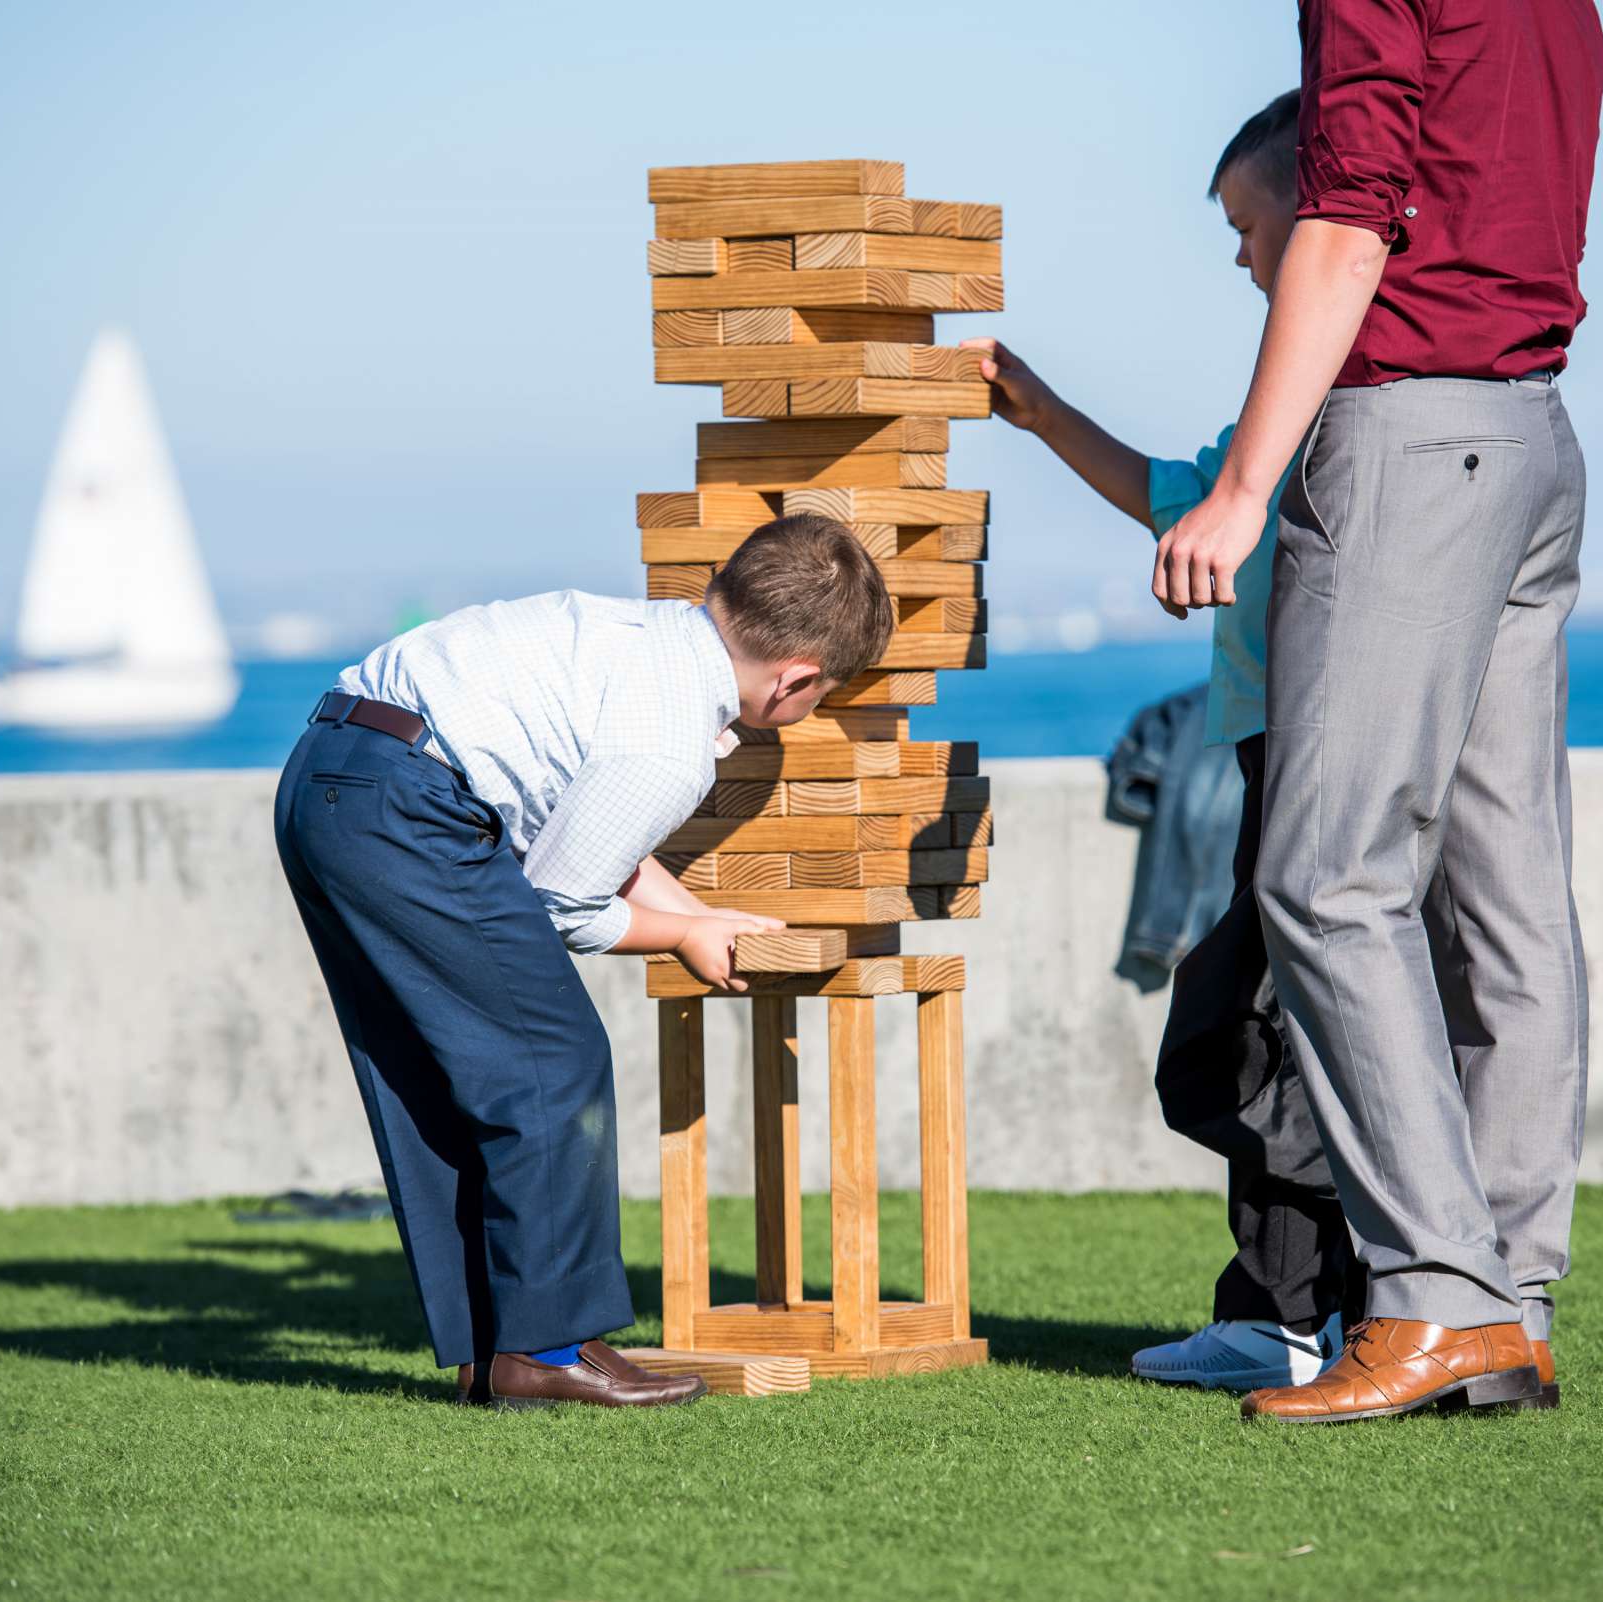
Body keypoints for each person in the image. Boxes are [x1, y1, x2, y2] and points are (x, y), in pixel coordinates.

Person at [1150, 0, 1603, 1422]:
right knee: (1507, 901)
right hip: (1531, 428)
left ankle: (1432, 1299)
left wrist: (1239, 487)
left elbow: (1349, 220)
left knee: (1328, 876)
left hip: (1410, 432)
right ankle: (1508, 1298)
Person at [271, 515, 892, 1409]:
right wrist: (682, 936)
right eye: (822, 697)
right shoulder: (671, 743)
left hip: (331, 773)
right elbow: (563, 902)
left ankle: (494, 1352)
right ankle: (549, 1352)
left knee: (447, 1075)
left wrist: (700, 913)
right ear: (795, 681)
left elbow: (594, 832)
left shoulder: (636, 637)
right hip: (408, 807)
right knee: (552, 1061)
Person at [967, 93, 1354, 1394]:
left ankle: (1305, 1310)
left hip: (1314, 761)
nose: (1242, 254)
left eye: (1250, 225)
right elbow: (1167, 497)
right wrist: (1039, 410)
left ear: (1316, 212)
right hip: (1259, 757)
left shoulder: (1351, 394)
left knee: (1245, 1040)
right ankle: (1294, 1303)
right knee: (1234, 1035)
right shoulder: (1277, 410)